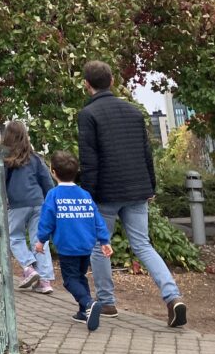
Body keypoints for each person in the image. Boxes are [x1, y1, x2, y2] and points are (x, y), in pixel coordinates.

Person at [78, 60, 187, 328]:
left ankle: (107, 302)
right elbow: (146, 153)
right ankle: (173, 297)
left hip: (105, 192)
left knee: (99, 246)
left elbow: (89, 162)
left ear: (86, 84)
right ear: (112, 81)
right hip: (138, 189)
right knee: (143, 245)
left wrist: (87, 196)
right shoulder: (134, 112)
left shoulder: (88, 115)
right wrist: (150, 186)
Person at [34, 150, 113, 331]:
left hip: (68, 247)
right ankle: (83, 312)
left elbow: (47, 220)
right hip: (86, 245)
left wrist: (41, 240)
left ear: (53, 171)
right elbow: (97, 219)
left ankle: (88, 303)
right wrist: (104, 241)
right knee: (80, 276)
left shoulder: (53, 195)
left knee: (70, 280)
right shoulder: (85, 194)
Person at [3, 120, 55, 293]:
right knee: (39, 240)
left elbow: (0, 183)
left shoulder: (6, 160)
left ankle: (28, 268)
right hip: (38, 203)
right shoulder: (35, 158)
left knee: (14, 237)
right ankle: (45, 281)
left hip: (17, 204)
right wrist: (50, 201)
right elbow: (47, 181)